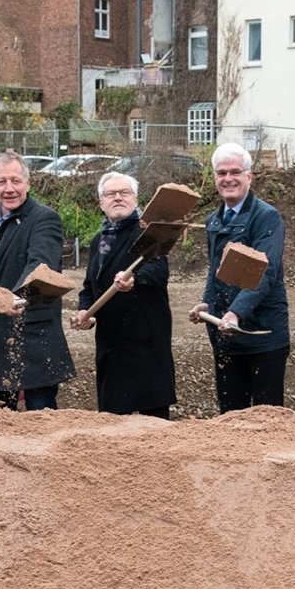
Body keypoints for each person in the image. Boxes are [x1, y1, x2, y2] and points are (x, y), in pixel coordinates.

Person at [0, 151, 76, 410]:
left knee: (41, 419)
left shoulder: (43, 219)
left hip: (34, 339)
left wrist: (8, 298)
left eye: (16, 181)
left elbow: (40, 268)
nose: (9, 189)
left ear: (28, 183)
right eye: (2, 182)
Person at [189, 143, 290, 412]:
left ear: (249, 176)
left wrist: (235, 313)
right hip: (227, 335)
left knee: (266, 416)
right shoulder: (214, 220)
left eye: (235, 172)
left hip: (262, 332)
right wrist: (207, 304)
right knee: (231, 414)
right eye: (221, 173)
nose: (228, 179)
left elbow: (265, 272)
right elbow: (216, 272)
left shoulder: (266, 217)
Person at [71, 171, 175, 417]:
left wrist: (135, 280)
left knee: (154, 425)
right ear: (101, 203)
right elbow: (89, 287)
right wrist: (85, 310)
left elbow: (159, 271)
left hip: (146, 344)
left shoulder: (148, 232)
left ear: (136, 199)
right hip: (111, 345)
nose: (118, 198)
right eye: (110, 194)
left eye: (124, 193)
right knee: (113, 423)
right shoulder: (99, 240)